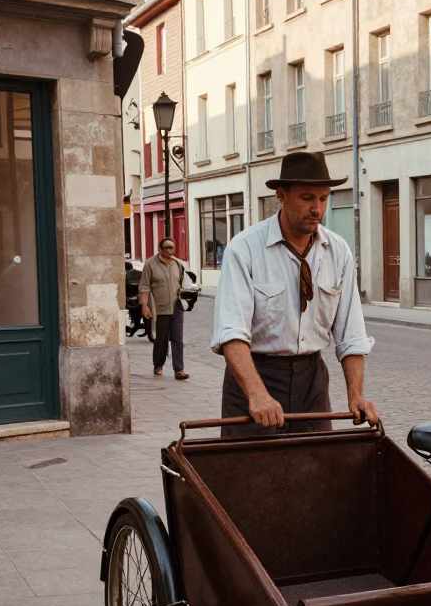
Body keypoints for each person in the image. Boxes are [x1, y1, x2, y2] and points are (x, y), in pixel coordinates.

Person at [212, 150, 377, 435]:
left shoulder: (338, 252)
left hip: (311, 380)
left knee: (315, 470)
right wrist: (256, 394)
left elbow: (351, 335)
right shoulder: (245, 249)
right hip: (257, 374)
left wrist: (356, 395)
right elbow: (231, 333)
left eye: (323, 198)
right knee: (250, 473)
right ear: (281, 195)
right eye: (307, 198)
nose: (317, 209)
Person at [138, 237, 190, 380]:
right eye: (167, 247)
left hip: (177, 307)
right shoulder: (150, 264)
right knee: (161, 339)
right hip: (160, 308)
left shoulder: (178, 264)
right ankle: (158, 365)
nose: (170, 250)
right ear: (160, 249)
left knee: (177, 339)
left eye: (172, 247)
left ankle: (179, 369)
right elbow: (144, 286)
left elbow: (184, 283)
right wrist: (144, 306)